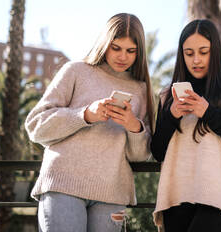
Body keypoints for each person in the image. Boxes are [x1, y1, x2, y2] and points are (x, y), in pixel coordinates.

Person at [25, 13, 154, 232]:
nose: (123, 56)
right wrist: (85, 115)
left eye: (131, 51)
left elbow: (140, 156)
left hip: (112, 193)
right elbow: (36, 126)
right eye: (116, 48)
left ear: (139, 52)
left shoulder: (141, 90)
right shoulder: (75, 71)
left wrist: (134, 126)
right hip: (63, 184)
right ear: (105, 43)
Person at [151, 19, 221, 232]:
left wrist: (208, 113)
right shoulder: (167, 96)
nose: (196, 60)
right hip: (177, 197)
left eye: (203, 52)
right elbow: (157, 151)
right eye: (189, 53)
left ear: (215, 52)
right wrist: (172, 116)